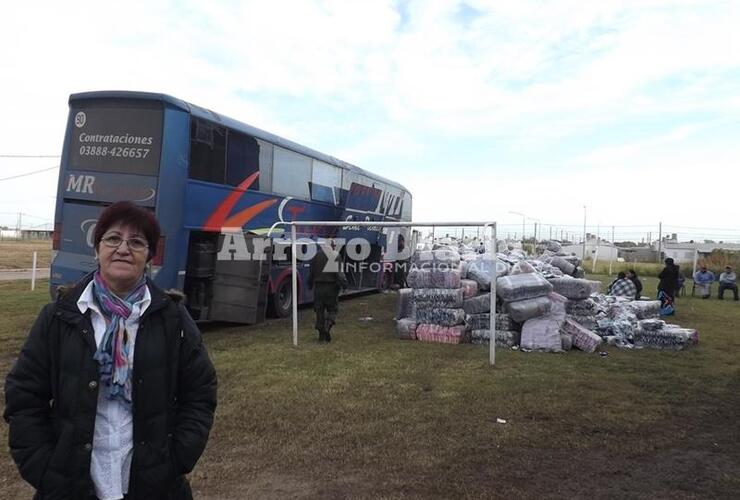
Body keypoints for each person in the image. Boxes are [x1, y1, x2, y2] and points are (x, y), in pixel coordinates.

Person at [4, 201, 217, 500]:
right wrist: (46, 471)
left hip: (155, 487)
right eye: (113, 239)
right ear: (97, 249)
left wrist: (174, 461)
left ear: (149, 257)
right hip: (70, 488)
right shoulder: (59, 317)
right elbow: (24, 398)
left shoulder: (172, 318)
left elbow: (200, 395)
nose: (123, 249)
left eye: (137, 242)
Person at [308, 240, 347, 342]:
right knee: (332, 309)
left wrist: (309, 284)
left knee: (319, 310)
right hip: (331, 288)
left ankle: (321, 335)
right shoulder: (336, 255)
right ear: (332, 246)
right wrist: (344, 285)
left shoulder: (316, 256)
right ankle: (327, 326)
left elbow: (311, 272)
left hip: (318, 288)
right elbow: (339, 274)